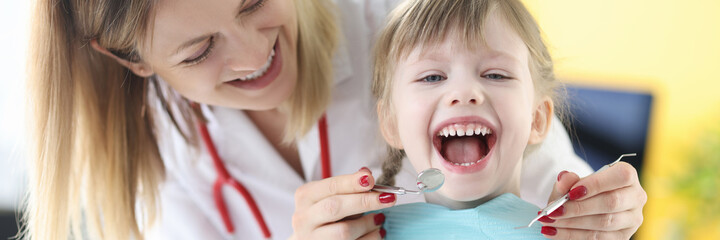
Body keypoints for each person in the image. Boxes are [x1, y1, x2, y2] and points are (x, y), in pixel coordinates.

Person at [25, 0, 646, 239]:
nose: (251, 54)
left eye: (253, 1)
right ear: (131, 62)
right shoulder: (161, 147)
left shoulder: (405, 25)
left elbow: (544, 168)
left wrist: (599, 208)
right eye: (199, 51)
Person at [361, 0, 638, 238]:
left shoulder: (569, 237)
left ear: (538, 119)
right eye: (432, 77)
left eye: (496, 75)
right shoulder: (361, 232)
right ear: (390, 123)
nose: (464, 92)